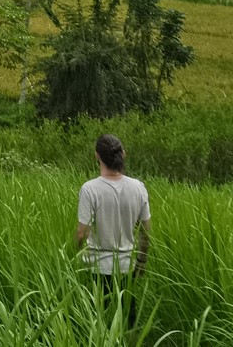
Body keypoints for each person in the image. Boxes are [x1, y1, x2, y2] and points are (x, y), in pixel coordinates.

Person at [74, 134, 150, 326]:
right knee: (126, 325)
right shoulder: (138, 188)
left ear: (96, 156)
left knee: (97, 325)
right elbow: (145, 233)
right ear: (123, 154)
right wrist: (141, 261)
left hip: (95, 269)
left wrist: (75, 255)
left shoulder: (90, 189)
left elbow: (81, 234)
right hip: (126, 269)